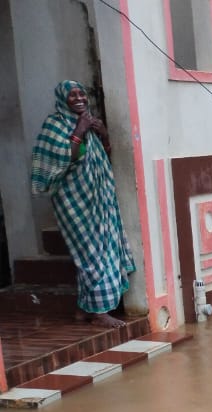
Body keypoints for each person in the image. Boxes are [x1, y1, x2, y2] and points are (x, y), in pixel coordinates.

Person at [30, 80, 134, 328]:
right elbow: (64, 159)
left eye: (81, 94)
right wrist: (80, 129)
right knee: (91, 255)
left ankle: (84, 308)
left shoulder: (89, 123)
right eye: (72, 95)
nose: (79, 98)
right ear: (62, 99)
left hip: (99, 201)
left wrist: (103, 134)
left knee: (105, 249)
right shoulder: (54, 126)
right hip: (74, 203)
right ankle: (99, 312)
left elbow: (103, 155)